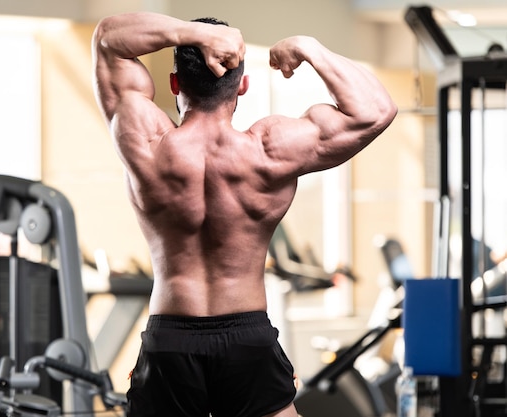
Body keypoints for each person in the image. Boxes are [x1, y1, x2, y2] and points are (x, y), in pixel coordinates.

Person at [92, 12, 397, 417]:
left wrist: (193, 34)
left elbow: (109, 39)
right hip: (246, 339)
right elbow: (376, 110)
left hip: (170, 339)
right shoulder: (270, 151)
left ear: (174, 84)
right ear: (244, 85)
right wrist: (309, 47)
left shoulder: (145, 142)